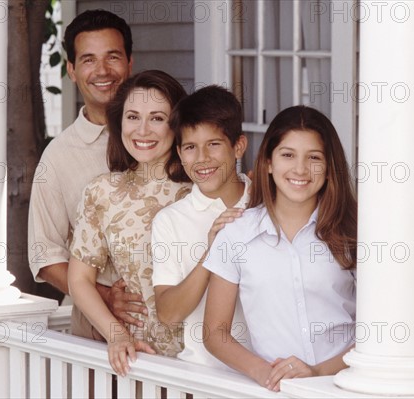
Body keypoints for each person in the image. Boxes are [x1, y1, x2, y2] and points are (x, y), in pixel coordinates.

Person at [202, 105, 357, 391]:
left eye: (314, 158)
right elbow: (215, 333)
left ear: (328, 167)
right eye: (288, 155)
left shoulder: (353, 233)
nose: (300, 169)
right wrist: (265, 373)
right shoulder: (236, 235)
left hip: (347, 385)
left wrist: (317, 371)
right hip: (275, 390)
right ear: (269, 163)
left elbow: (376, 331)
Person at [68, 70, 191, 376]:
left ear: (177, 125)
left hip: (201, 362)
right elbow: (79, 279)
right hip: (138, 362)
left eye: (158, 118)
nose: (143, 130)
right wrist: (116, 334)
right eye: (133, 117)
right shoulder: (102, 192)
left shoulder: (201, 190)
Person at [28, 10, 146, 327]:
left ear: (130, 62)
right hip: (98, 325)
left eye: (113, 57)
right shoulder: (58, 158)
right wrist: (106, 297)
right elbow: (46, 256)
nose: (102, 71)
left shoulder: (163, 136)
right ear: (71, 70)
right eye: (89, 60)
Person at [151, 85, 252, 370]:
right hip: (203, 374)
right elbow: (168, 314)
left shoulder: (266, 203)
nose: (202, 158)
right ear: (180, 154)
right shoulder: (170, 221)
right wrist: (212, 252)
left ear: (238, 146)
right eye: (190, 147)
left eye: (214, 144)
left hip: (269, 374)